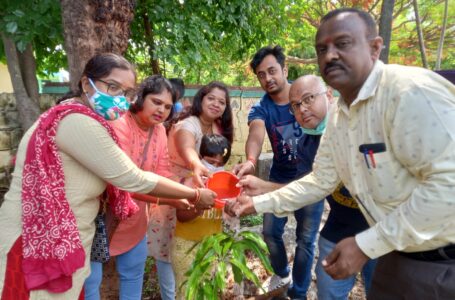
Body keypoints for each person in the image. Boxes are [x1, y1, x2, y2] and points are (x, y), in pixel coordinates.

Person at [228, 8, 455, 299]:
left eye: (343, 43)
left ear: (375, 47)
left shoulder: (408, 92)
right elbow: (320, 181)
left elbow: (448, 186)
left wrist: (365, 244)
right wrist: (258, 203)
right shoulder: (340, 118)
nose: (330, 55)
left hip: (443, 262)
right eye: (322, 49)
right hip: (396, 253)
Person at [0, 53, 216, 299]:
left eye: (125, 92)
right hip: (38, 239)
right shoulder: (78, 121)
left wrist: (181, 190)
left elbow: (159, 170)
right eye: (112, 87)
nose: (119, 98)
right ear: (85, 84)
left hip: (67, 235)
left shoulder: (101, 122)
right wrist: (194, 194)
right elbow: (131, 178)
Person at [236, 75, 376, 300]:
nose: (302, 109)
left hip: (382, 227)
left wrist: (262, 194)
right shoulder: (308, 143)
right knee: (328, 290)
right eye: (296, 106)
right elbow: (309, 187)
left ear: (329, 95)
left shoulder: (360, 127)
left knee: (382, 289)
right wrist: (261, 192)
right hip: (339, 228)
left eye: (309, 99)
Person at [84, 75, 192, 300]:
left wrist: (185, 186)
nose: (162, 110)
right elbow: (124, 182)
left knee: (133, 275)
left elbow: (162, 170)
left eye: (168, 106)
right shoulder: (119, 122)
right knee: (90, 281)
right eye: (156, 102)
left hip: (135, 219)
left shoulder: (160, 130)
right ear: (141, 98)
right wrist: (177, 197)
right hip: (101, 218)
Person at [232, 46, 323, 299]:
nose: (267, 78)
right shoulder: (262, 107)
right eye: (261, 75)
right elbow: (256, 132)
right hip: (280, 175)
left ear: (284, 69)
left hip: (312, 178)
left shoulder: (305, 95)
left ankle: (300, 292)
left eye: (272, 71)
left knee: (306, 239)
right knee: (271, 231)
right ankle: (282, 273)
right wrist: (250, 160)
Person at [171, 133, 231, 299]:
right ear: (200, 159)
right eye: (210, 162)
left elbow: (228, 212)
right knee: (187, 292)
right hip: (186, 246)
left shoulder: (224, 184)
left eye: (220, 164)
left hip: (212, 246)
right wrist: (200, 205)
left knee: (209, 291)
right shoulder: (189, 183)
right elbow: (181, 215)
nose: (214, 168)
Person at [167, 81, 234, 187]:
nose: (216, 104)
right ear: (201, 100)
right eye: (211, 98)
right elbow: (187, 147)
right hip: (174, 185)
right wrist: (197, 165)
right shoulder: (187, 124)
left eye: (221, 102)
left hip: (203, 184)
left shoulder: (218, 128)